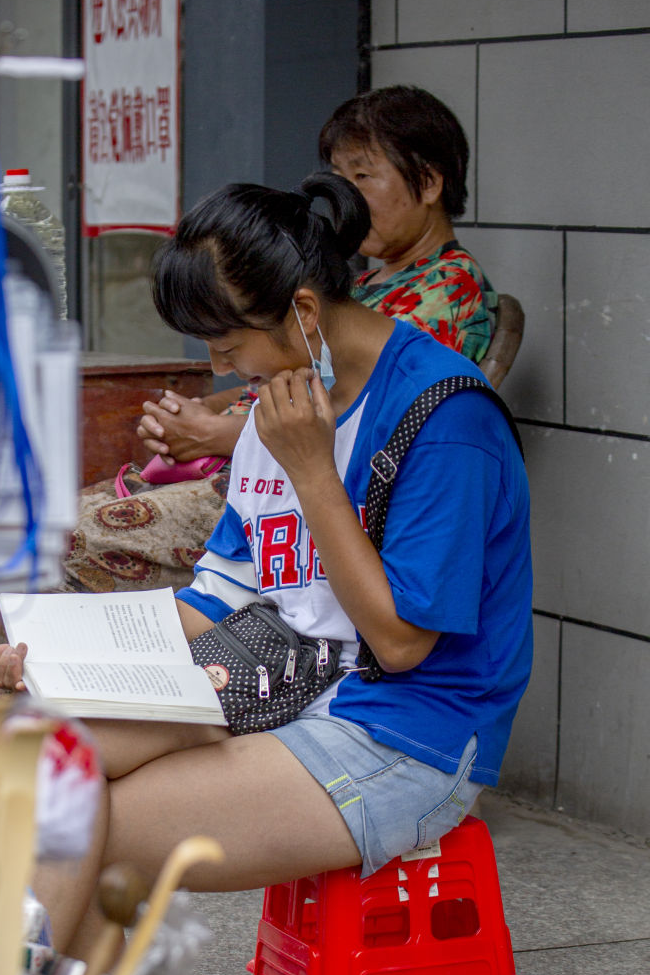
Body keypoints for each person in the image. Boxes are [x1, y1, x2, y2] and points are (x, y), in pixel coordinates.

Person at [0, 173, 532, 956]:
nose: (223, 370)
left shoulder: (444, 420)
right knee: (35, 747)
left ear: (304, 313)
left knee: (81, 821)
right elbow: (214, 600)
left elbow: (403, 644)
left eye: (229, 345)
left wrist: (314, 472)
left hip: (407, 731)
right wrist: (54, 657)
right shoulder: (281, 401)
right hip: (278, 682)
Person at [63, 85, 498, 597]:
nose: (348, 194)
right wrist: (200, 414)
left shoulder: (444, 293)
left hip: (306, 486)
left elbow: (358, 416)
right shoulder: (369, 286)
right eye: (340, 177)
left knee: (62, 539)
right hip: (265, 471)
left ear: (428, 182)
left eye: (363, 175)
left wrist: (212, 434)